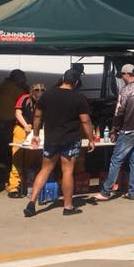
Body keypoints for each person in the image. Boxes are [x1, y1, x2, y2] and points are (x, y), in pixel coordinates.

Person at [24, 69, 94, 217]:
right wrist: (91, 139)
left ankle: (31, 203)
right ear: (75, 82)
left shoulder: (47, 95)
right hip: (70, 139)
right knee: (67, 171)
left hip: (51, 139)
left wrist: (35, 134)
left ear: (63, 79)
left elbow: (37, 115)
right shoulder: (79, 98)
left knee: (45, 169)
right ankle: (67, 207)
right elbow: (85, 121)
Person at [95, 64, 134, 201]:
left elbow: (119, 111)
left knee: (116, 160)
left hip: (127, 130)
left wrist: (114, 129)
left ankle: (106, 191)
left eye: (123, 75)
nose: (122, 78)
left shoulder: (125, 91)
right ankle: (132, 192)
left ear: (127, 74)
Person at [6, 82, 45, 198]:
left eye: (42, 90)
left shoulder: (44, 100)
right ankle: (14, 187)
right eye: (36, 90)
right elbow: (18, 113)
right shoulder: (24, 99)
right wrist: (25, 125)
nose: (39, 92)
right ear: (32, 91)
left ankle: (29, 185)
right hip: (21, 129)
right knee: (17, 155)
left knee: (32, 157)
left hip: (36, 130)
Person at [0, 69, 28, 148]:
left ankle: (1, 157)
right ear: (17, 78)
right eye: (23, 78)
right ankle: (8, 158)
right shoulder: (15, 89)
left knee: (2, 140)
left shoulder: (0, 86)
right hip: (11, 119)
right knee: (10, 141)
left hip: (0, 118)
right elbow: (25, 99)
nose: (24, 80)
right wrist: (25, 89)